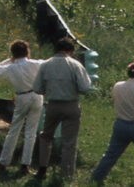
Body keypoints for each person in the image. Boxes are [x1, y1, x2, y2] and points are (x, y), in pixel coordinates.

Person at [90, 62, 134, 185]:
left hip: (120, 125)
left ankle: (95, 179)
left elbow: (114, 99)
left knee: (110, 155)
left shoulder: (118, 86)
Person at [32, 36, 92, 180]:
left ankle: (42, 169)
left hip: (52, 105)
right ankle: (66, 173)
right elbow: (85, 87)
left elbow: (36, 88)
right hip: (71, 105)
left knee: (46, 136)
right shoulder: (75, 65)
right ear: (70, 50)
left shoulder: (46, 65)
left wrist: (49, 91)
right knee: (69, 141)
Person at [0, 40, 44, 176]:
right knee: (31, 132)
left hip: (22, 97)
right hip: (36, 95)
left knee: (14, 129)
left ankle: (3, 161)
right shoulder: (35, 64)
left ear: (13, 54)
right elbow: (48, 64)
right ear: (27, 51)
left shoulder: (11, 67)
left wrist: (9, 60)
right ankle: (25, 164)